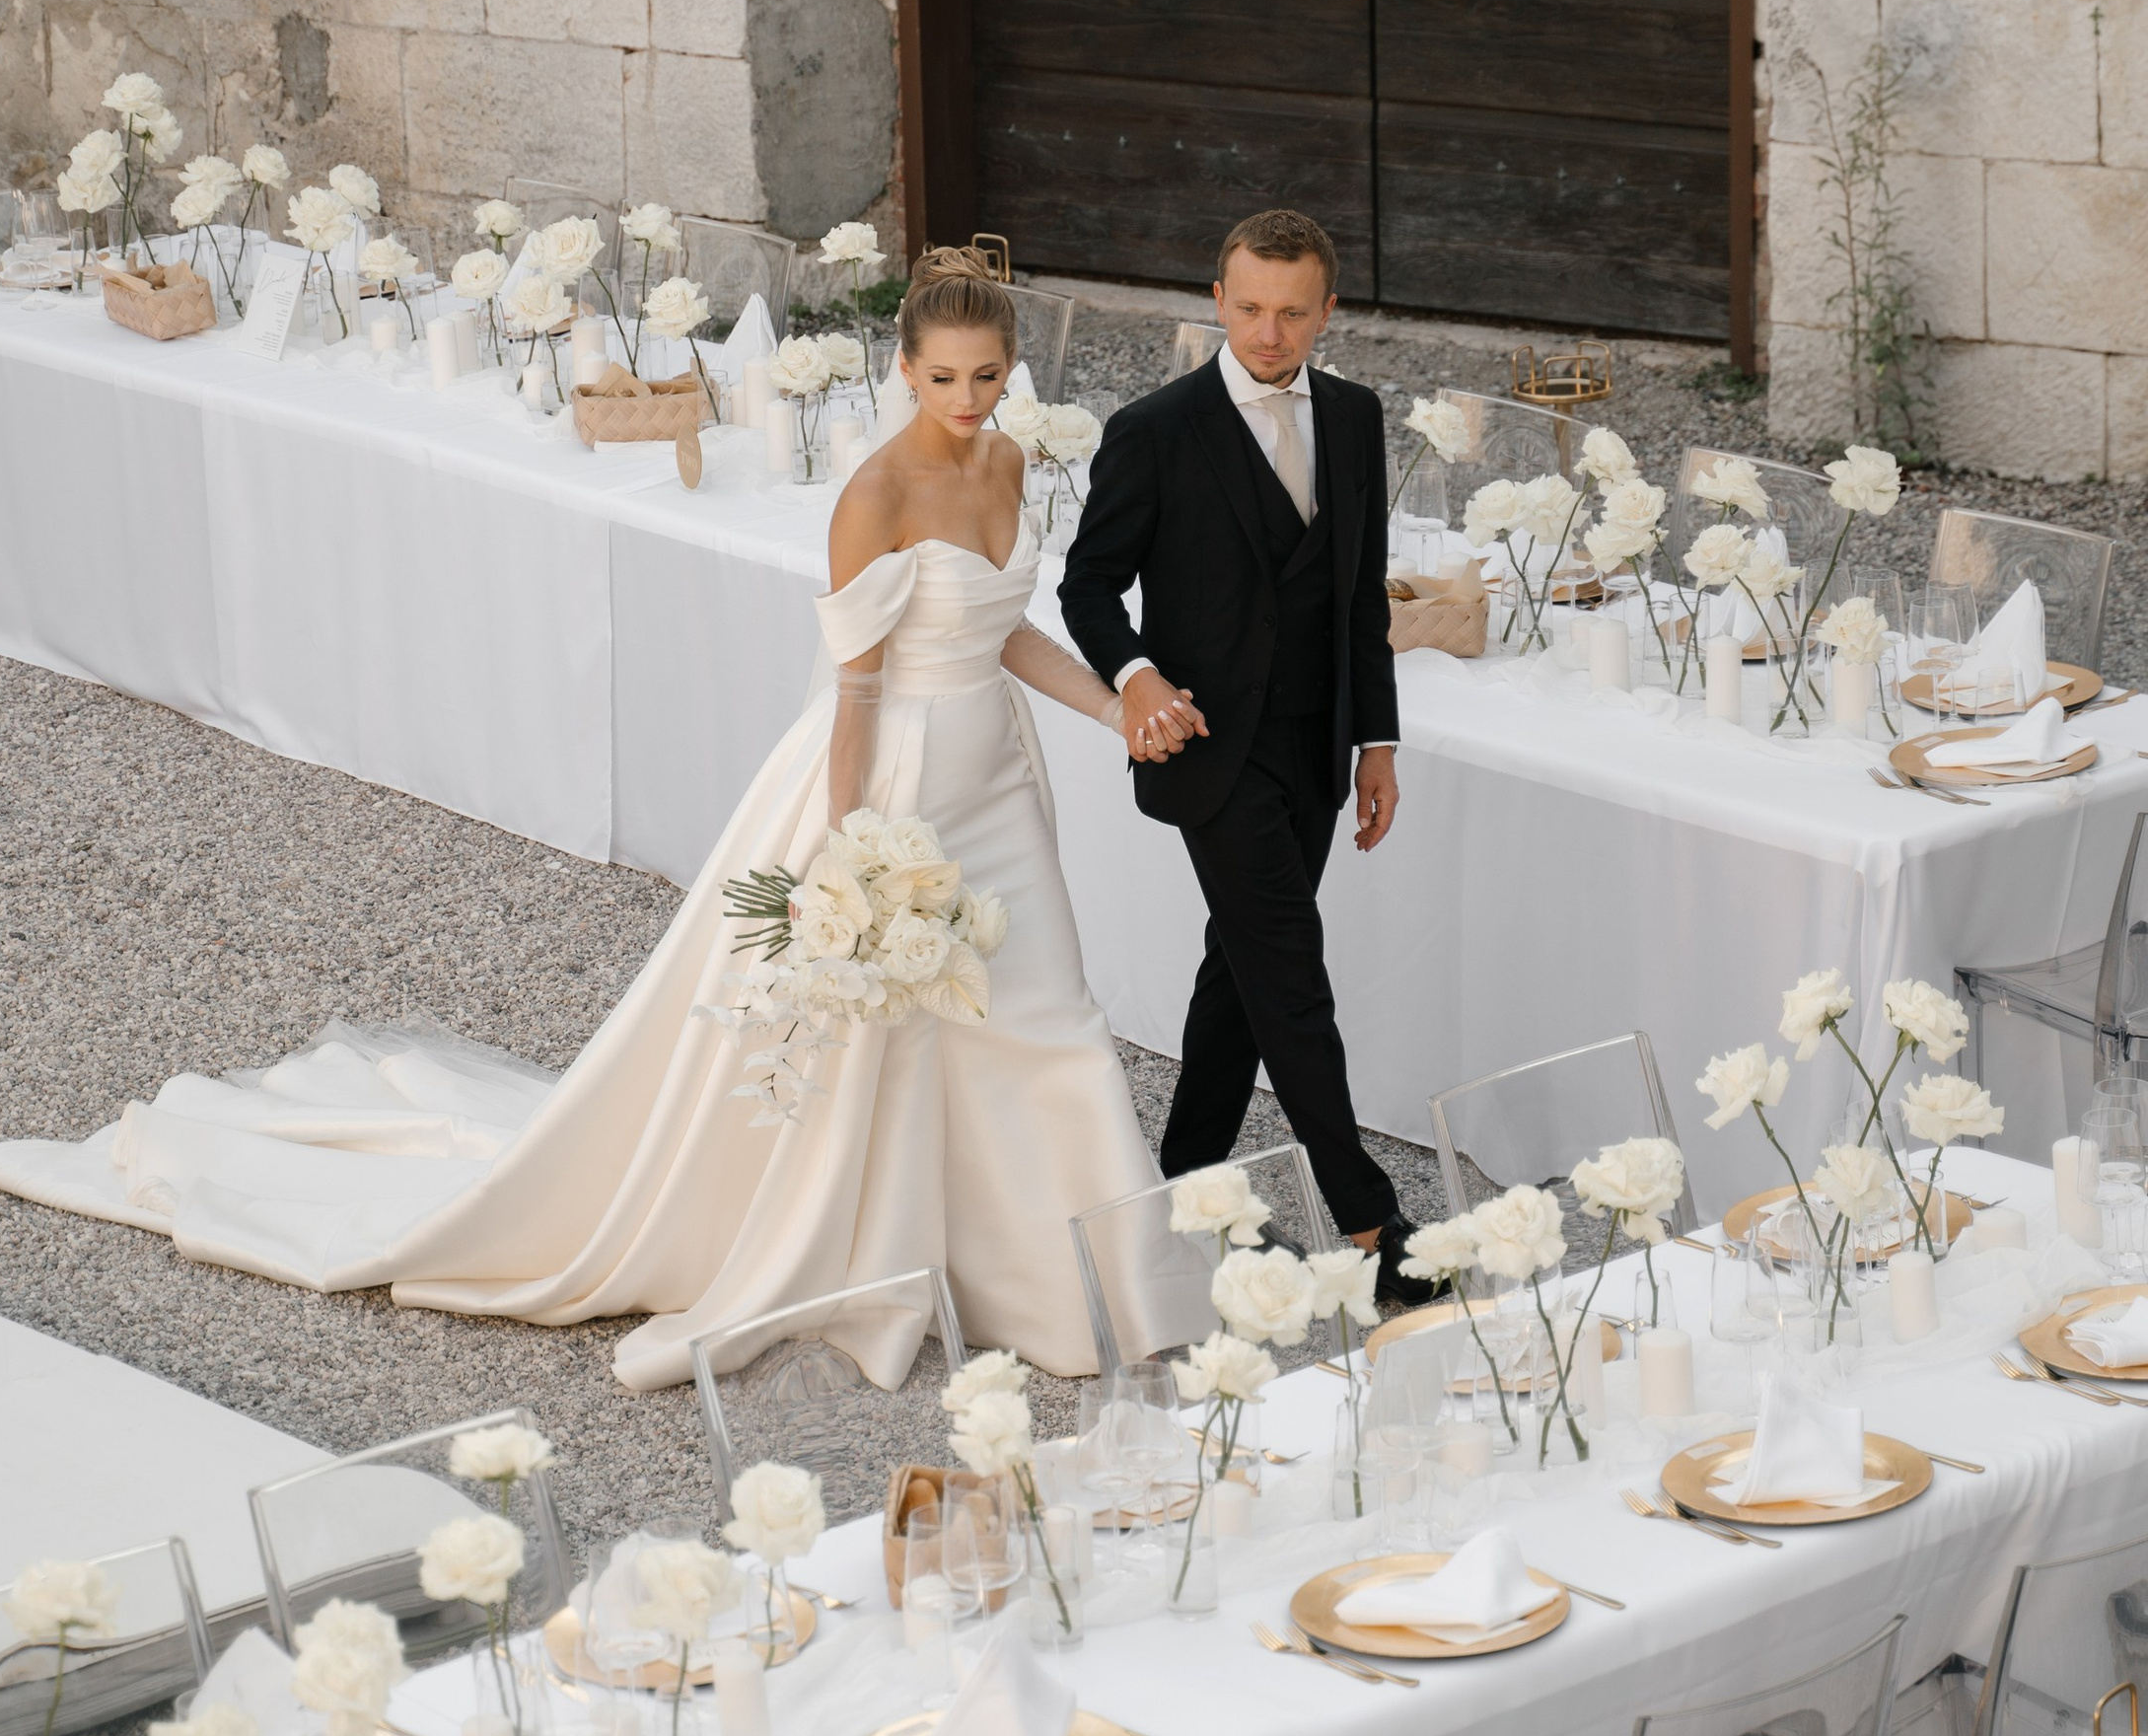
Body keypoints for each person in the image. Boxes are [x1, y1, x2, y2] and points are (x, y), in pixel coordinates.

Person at [357, 247, 1160, 1385]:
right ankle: (892, 1256)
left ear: (1011, 367)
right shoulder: (875, 495)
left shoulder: (1007, 461)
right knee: (893, 1032)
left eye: (986, 377)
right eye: (942, 378)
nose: (967, 399)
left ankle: (1089, 1281)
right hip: (899, 784)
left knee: (1045, 1011)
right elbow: (859, 689)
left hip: (999, 776)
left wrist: (1113, 710)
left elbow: (1004, 631)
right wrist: (848, 848)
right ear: (905, 368)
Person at [1059, 207, 1421, 1297]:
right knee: (1288, 969)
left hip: (1316, 745)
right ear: (1218, 301)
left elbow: (1360, 598)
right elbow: (1087, 586)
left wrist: (1376, 740)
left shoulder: (1354, 418)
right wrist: (1136, 677)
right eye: (1251, 309)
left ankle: (1185, 1174)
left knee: (1243, 964)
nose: (1270, 334)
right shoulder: (1155, 430)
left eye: (1293, 314)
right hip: (1209, 751)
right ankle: (1372, 1222)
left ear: (1328, 311)